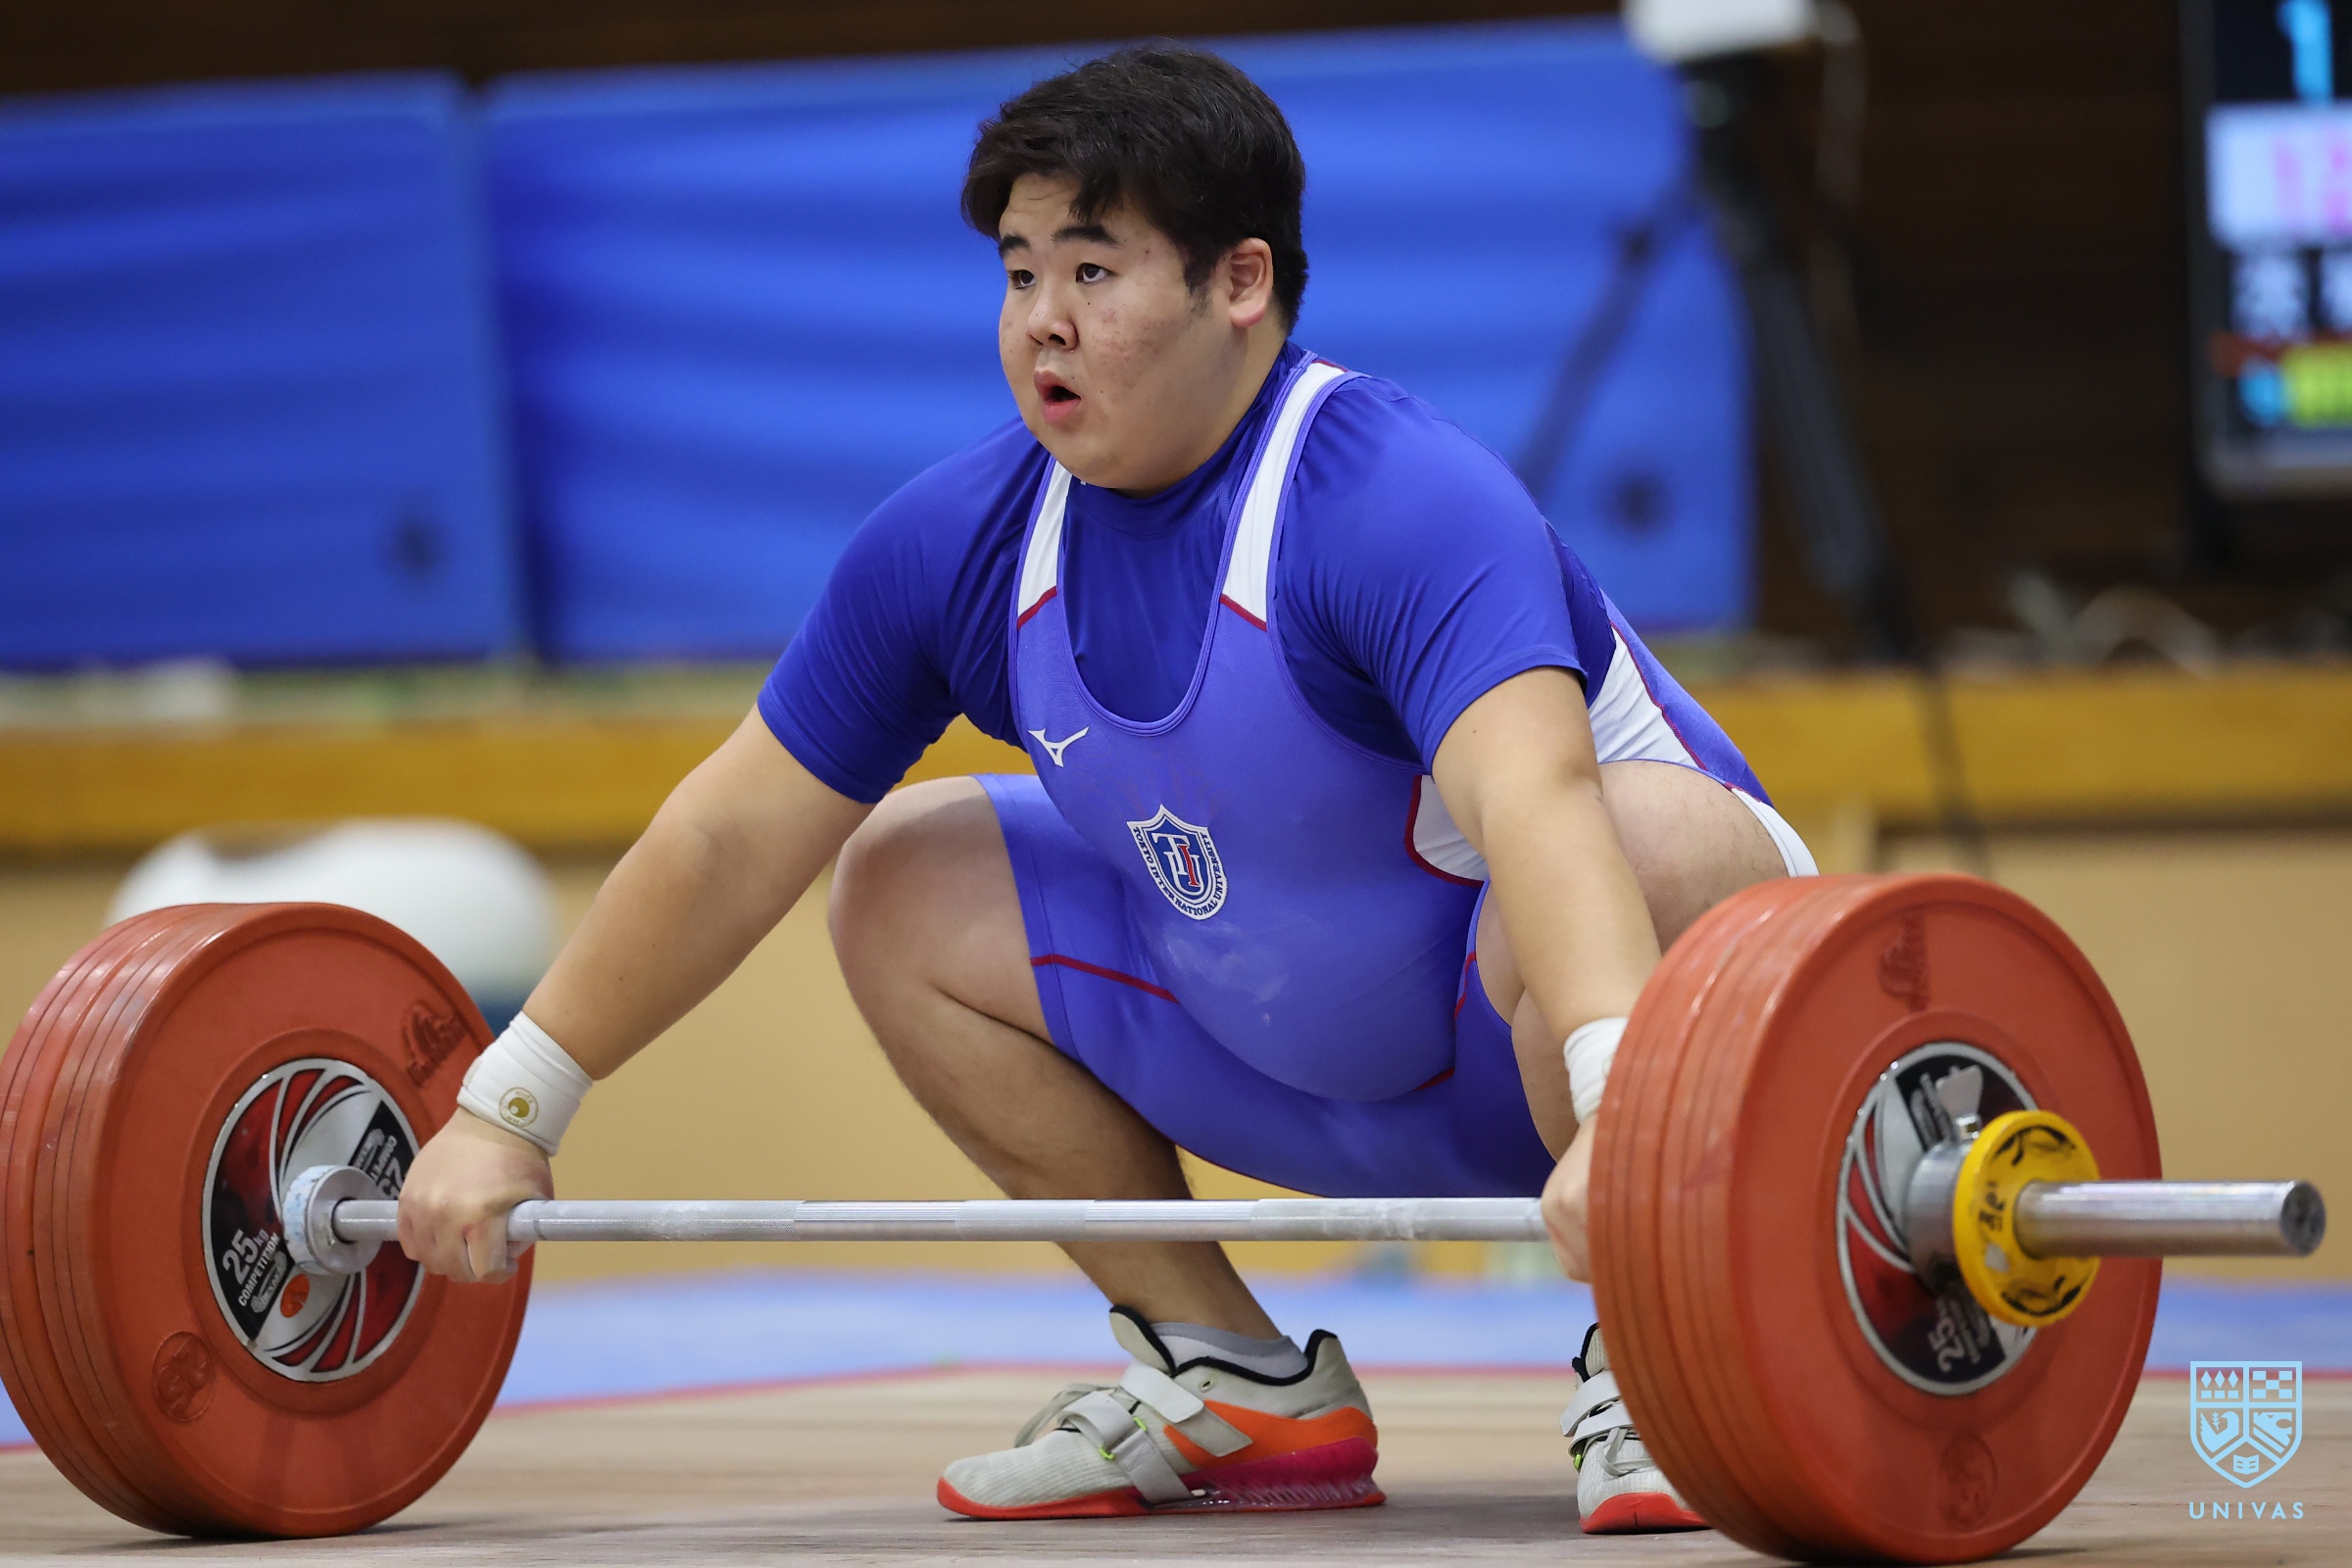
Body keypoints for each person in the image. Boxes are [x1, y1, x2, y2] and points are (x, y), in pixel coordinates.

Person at [397, 43, 1815, 1535]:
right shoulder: (958, 544)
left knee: (1645, 834)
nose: (1042, 323)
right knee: (900, 874)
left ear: (1241, 282)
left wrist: (1621, 1113)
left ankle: (1661, 1349)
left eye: (1092, 269)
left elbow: (1541, 806)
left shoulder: (1397, 500)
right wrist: (511, 1108)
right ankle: (1232, 1379)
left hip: (1637, 1050)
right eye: (1019, 274)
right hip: (1294, 1056)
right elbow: (727, 838)